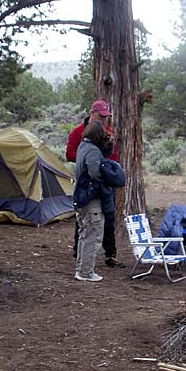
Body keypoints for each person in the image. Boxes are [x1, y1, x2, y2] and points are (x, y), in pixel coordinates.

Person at [66, 100, 124, 268]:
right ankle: (81, 255)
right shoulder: (78, 133)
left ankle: (110, 254)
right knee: (85, 220)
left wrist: (109, 170)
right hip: (88, 184)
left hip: (104, 185)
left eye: (106, 117)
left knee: (108, 217)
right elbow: (70, 154)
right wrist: (90, 160)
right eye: (101, 116)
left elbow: (112, 156)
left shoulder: (106, 132)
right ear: (92, 114)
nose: (104, 120)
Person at [72, 121, 112, 282]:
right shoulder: (93, 151)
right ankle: (86, 272)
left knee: (84, 233)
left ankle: (81, 268)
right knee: (92, 234)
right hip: (91, 199)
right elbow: (95, 173)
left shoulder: (82, 146)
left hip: (81, 197)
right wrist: (109, 177)